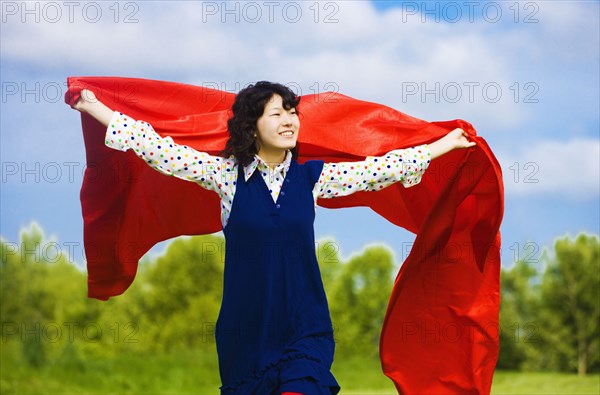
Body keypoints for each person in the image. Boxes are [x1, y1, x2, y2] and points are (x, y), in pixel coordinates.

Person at [72, 81, 475, 395]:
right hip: (246, 329)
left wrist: (443, 144)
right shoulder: (225, 176)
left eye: (292, 112)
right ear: (252, 127)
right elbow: (157, 148)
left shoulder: (313, 178)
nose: (289, 121)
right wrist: (95, 108)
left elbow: (380, 169)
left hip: (305, 323)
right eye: (276, 113)